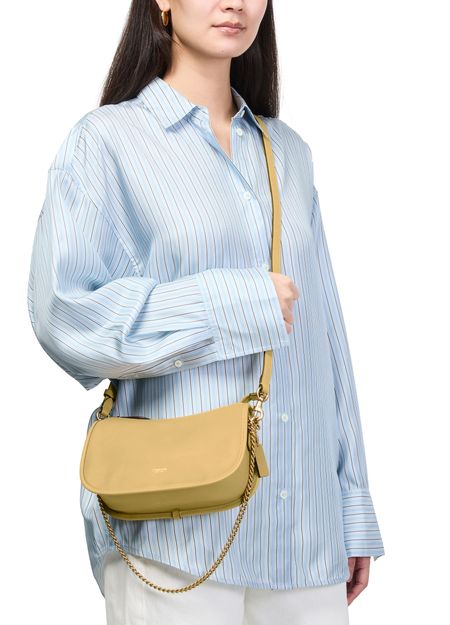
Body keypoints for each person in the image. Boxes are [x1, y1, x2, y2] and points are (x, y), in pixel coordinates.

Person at [26, 1, 385, 623]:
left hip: (303, 531)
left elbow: (326, 338)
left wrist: (353, 503)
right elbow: (64, 312)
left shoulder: (286, 152)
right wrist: (233, 304)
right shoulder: (107, 141)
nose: (235, 2)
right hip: (172, 528)